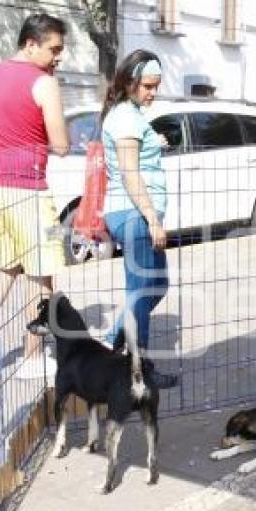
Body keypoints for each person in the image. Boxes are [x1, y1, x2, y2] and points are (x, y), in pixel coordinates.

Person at [0, 13, 70, 380]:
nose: (59, 57)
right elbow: (60, 143)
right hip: (27, 189)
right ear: (31, 44)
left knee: (6, 268)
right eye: (54, 49)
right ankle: (32, 357)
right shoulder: (44, 83)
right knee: (43, 274)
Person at [100, 49, 177, 389]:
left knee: (154, 286)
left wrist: (153, 142)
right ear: (130, 82)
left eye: (156, 86)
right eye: (148, 86)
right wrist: (152, 219)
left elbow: (135, 156)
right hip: (134, 215)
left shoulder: (131, 115)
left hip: (137, 215)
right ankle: (138, 369)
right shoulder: (125, 117)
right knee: (141, 290)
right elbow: (130, 174)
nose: (153, 92)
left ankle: (111, 345)